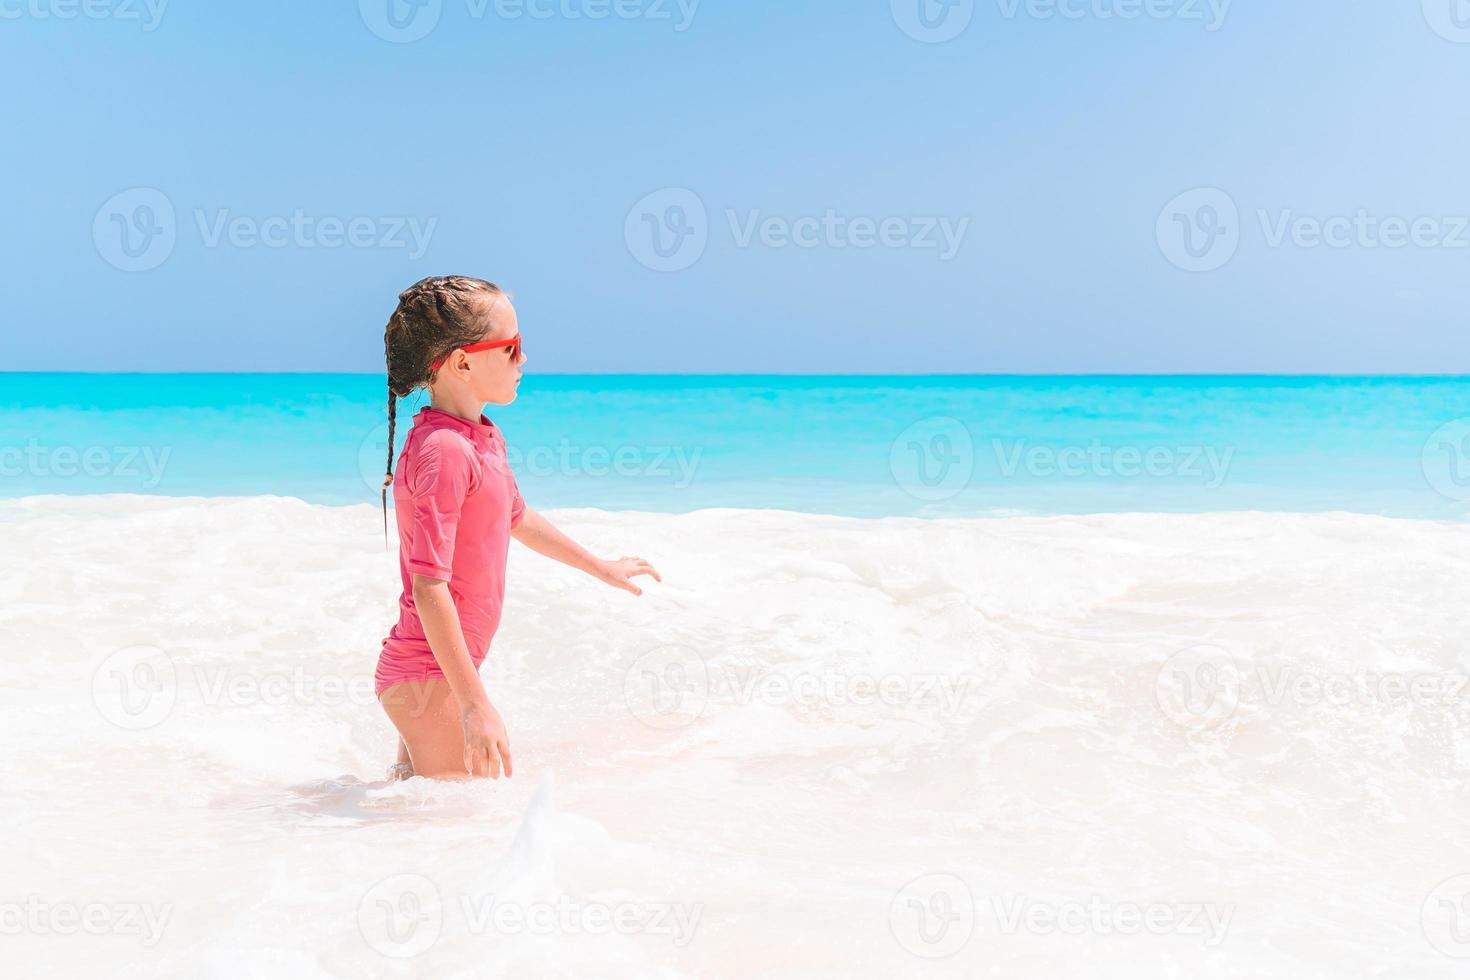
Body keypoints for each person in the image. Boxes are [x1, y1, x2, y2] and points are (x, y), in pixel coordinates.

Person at [376, 276, 661, 780]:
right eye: (511, 348)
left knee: (415, 812)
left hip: (438, 673)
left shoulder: (480, 438)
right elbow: (428, 585)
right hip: (430, 675)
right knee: (457, 821)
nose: (523, 359)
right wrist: (475, 705)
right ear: (463, 363)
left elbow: (517, 517)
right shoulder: (444, 451)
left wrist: (600, 567)